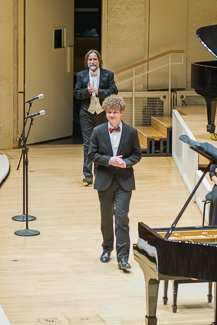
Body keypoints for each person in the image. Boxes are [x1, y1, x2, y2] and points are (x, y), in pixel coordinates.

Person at [88, 95, 142, 270]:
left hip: (124, 181)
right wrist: (109, 160)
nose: (111, 115)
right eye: (109, 112)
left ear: (122, 112)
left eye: (115, 112)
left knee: (121, 218)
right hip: (104, 180)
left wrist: (126, 163)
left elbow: (137, 155)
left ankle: (122, 258)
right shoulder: (97, 131)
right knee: (106, 219)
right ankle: (106, 249)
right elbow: (91, 155)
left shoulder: (132, 132)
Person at [74, 49, 118, 186]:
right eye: (90, 60)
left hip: (102, 113)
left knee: (102, 143)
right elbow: (76, 94)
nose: (92, 62)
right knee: (87, 144)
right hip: (87, 113)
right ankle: (87, 174)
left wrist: (98, 92)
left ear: (99, 61)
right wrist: (87, 92)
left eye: (94, 59)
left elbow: (114, 92)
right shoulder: (81, 76)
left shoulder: (108, 75)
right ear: (86, 62)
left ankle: (99, 172)